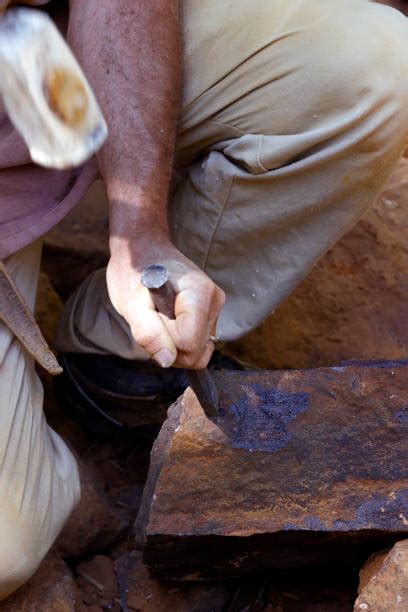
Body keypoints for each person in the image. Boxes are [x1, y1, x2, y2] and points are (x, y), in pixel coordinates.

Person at [1, 0, 408, 600]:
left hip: (26, 53)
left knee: (372, 69)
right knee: (9, 544)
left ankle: (118, 358)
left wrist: (138, 228)